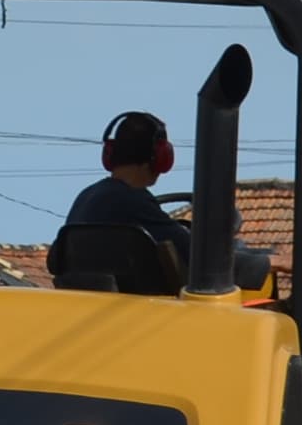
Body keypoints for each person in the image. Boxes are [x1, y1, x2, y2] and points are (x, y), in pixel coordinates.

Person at [49, 110, 194, 295]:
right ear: (158, 157)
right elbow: (192, 252)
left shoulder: (86, 196)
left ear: (110, 153)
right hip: (146, 311)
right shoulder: (136, 202)